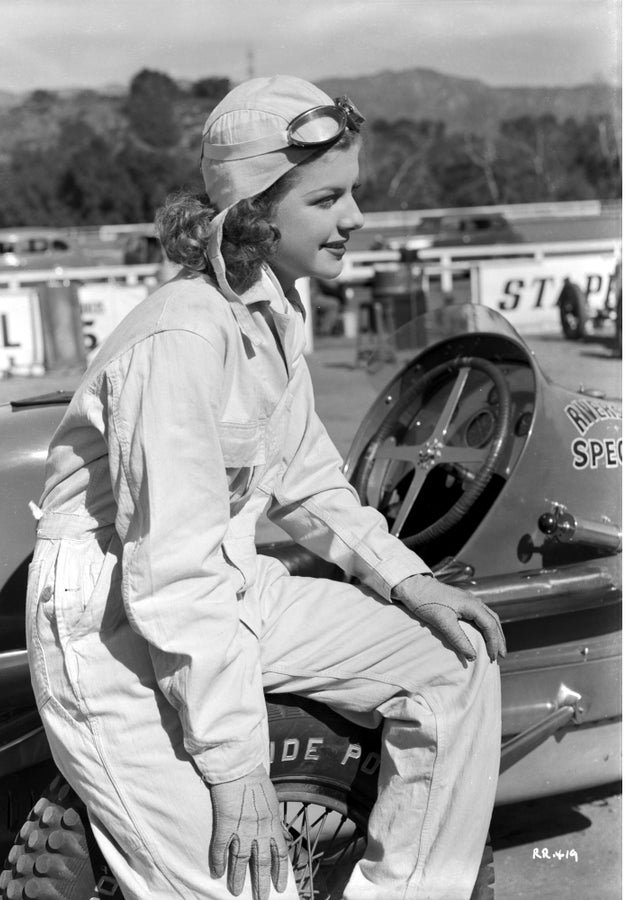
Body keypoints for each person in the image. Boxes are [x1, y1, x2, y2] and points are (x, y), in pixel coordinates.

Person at [26, 75, 505, 900]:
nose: (354, 219)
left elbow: (309, 479)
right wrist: (238, 766)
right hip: (112, 619)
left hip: (223, 583)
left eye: (350, 193)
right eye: (329, 198)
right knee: (252, 882)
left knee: (454, 662)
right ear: (254, 211)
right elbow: (169, 574)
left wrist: (409, 580)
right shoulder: (180, 337)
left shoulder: (272, 311)